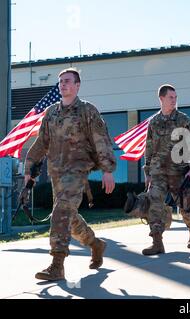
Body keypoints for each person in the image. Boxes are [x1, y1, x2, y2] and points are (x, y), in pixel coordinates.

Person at [25, 68, 116, 281]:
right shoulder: (51, 113)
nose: (63, 85)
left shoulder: (87, 111)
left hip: (77, 171)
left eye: (67, 81)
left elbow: (101, 140)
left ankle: (57, 265)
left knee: (61, 213)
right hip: (56, 172)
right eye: (60, 82)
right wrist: (29, 167)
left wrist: (107, 170)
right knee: (69, 217)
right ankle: (96, 244)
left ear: (77, 85)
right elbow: (41, 142)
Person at [141, 84, 190, 255]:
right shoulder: (154, 121)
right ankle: (157, 242)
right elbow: (149, 148)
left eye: (175, 97)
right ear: (161, 98)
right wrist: (147, 172)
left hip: (179, 171)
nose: (174, 100)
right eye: (171, 97)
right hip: (158, 172)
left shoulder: (183, 120)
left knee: (186, 206)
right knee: (155, 204)